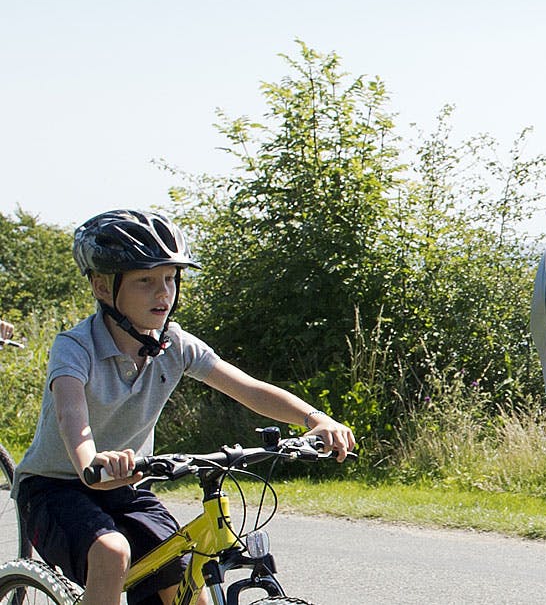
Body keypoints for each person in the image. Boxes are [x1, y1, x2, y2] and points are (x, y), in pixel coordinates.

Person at [12, 209, 356, 605]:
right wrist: (92, 462)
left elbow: (250, 389)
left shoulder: (174, 344)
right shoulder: (75, 347)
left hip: (129, 482)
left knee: (180, 567)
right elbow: (71, 415)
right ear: (103, 287)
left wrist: (316, 419)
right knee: (112, 554)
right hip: (55, 487)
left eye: (170, 279)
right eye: (145, 281)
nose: (163, 293)